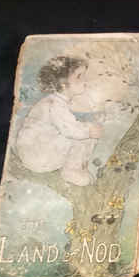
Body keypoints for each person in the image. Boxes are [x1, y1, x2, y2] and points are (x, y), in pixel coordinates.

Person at [15, 56, 102, 186]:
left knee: (86, 131)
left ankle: (76, 168)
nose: (85, 80)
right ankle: (71, 170)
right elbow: (70, 130)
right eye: (79, 76)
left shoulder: (56, 101)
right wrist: (90, 131)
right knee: (86, 133)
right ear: (63, 83)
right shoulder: (55, 104)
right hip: (37, 155)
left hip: (34, 152)